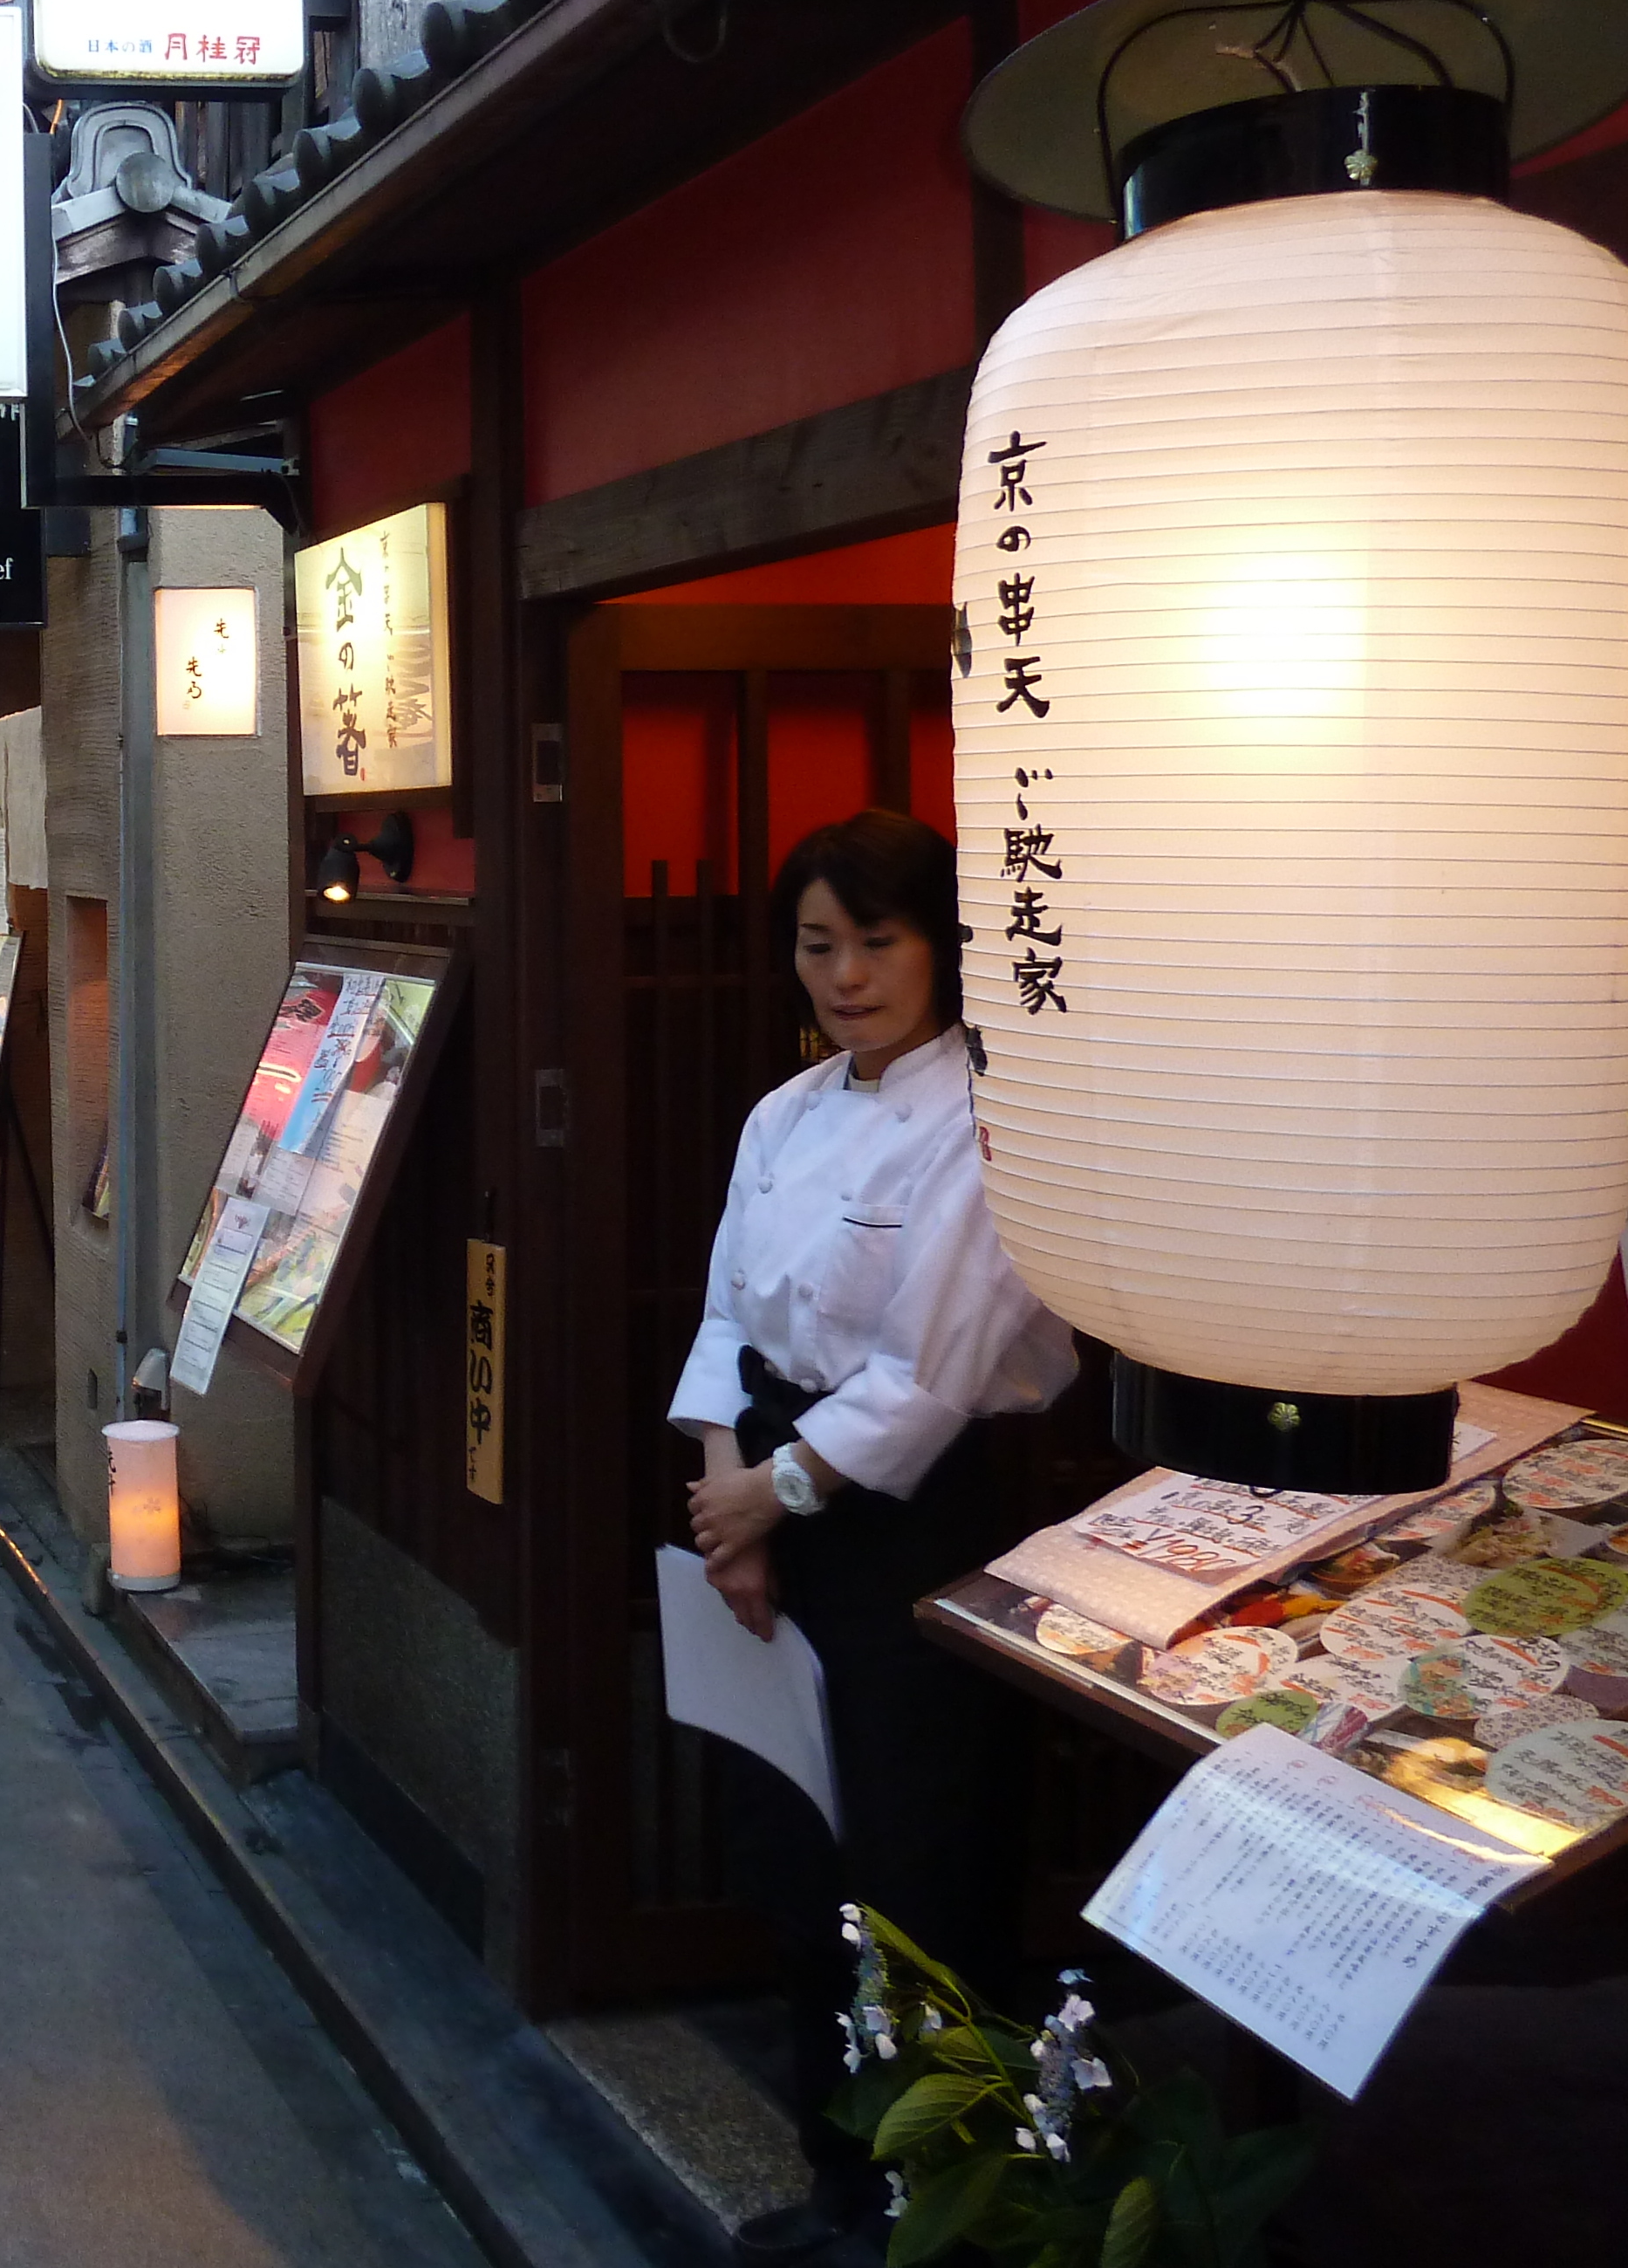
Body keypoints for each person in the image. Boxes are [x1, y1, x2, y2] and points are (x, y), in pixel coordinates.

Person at [670, 811, 1077, 2268]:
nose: (845, 973)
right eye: (817, 942)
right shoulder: (782, 1115)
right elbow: (726, 1321)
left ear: (944, 948)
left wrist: (766, 1498)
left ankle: (942, 2217)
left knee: (918, 1870)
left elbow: (931, 1382)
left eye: (879, 940)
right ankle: (837, 2184)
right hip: (773, 1519)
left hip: (922, 1530)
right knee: (796, 1864)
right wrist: (730, 1508)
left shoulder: (988, 1118)